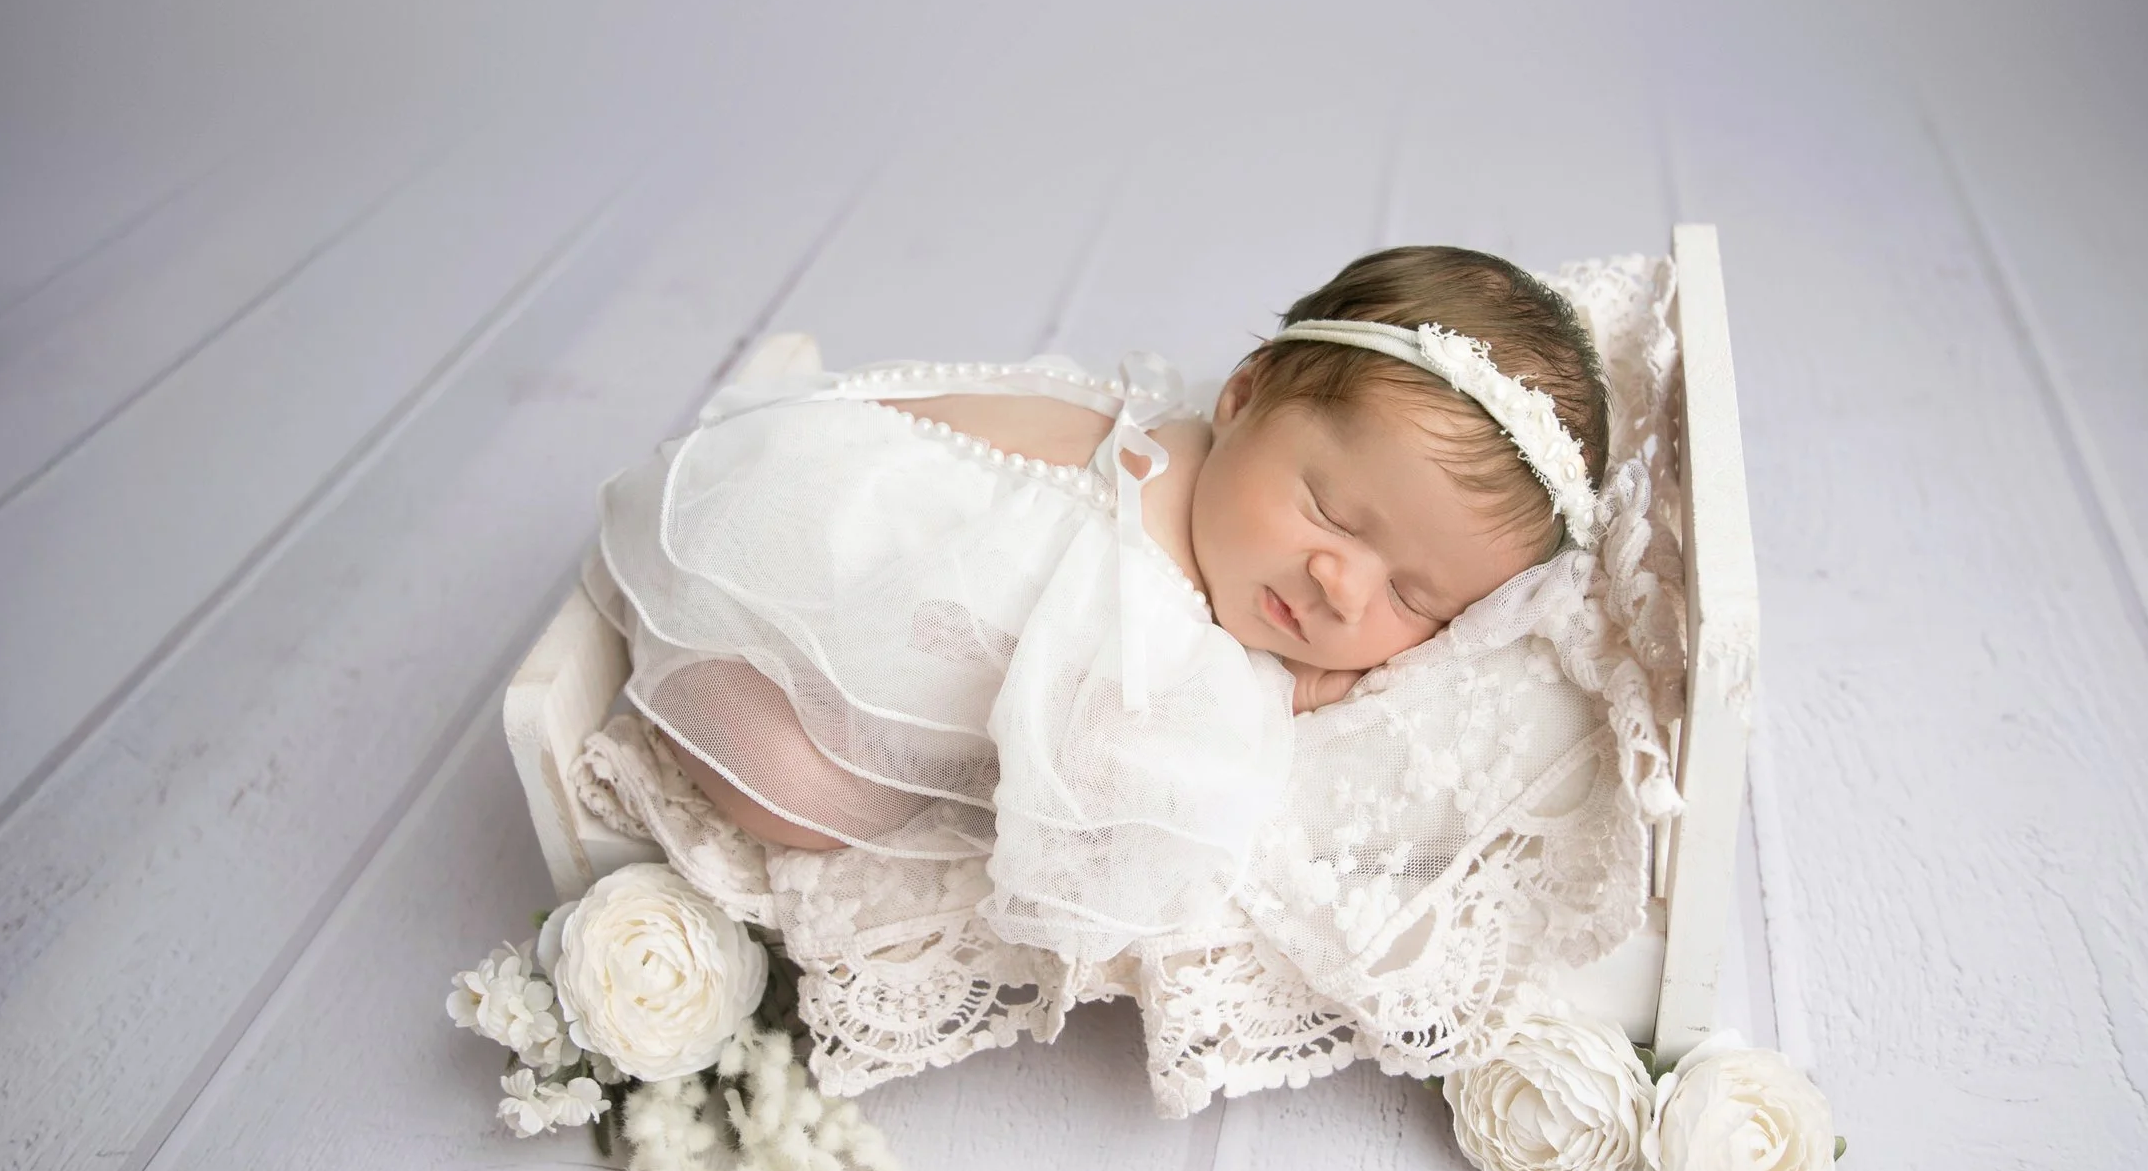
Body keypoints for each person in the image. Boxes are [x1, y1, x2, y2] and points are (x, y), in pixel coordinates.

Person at [594, 245, 1610, 963]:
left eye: (1412, 596)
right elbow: (1118, 814)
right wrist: (1278, 698)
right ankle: (707, 708)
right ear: (1244, 394)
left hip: (806, 470)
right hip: (784, 583)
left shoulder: (1189, 454)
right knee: (805, 799)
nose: (1340, 585)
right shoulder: (1154, 608)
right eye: (1331, 513)